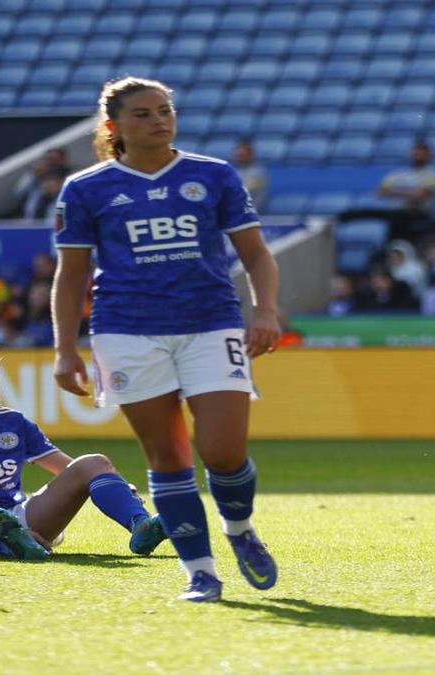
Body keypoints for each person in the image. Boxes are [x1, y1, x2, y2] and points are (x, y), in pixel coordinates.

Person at [51, 76, 281, 603]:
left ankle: (239, 530)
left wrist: (265, 309)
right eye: (145, 113)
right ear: (114, 126)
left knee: (223, 451)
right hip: (126, 333)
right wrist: (65, 348)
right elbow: (71, 274)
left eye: (165, 110)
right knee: (167, 456)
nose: (160, 120)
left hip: (211, 323)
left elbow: (256, 254)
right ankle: (199, 571)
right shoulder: (86, 188)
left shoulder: (213, 176)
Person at [0, 324, 167, 561]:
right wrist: (13, 530)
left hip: (15, 519)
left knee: (93, 463)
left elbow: (69, 469)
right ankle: (9, 540)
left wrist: (117, 485)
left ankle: (142, 526)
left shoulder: (12, 421)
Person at [375, 141, 435, 237]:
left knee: (399, 220)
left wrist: (394, 192)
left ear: (429, 156)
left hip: (420, 214)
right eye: (416, 153)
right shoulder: (398, 174)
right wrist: (410, 193)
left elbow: (421, 196)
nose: (418, 156)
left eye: (422, 154)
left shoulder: (434, 174)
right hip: (395, 213)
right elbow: (380, 191)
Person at [231, 138, 269, 212]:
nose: (239, 158)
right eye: (238, 155)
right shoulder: (231, 172)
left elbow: (260, 196)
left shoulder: (259, 173)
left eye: (242, 155)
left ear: (250, 155)